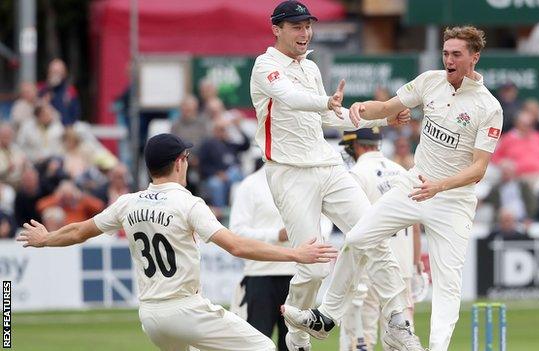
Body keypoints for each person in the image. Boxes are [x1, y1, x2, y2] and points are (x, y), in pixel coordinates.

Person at [282, 26, 503, 351]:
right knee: (357, 238)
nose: (449, 60)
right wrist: (357, 111)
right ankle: (327, 316)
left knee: (447, 285)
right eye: (445, 53)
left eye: (457, 54)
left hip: (452, 199)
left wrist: (439, 186)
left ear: (474, 56)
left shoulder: (489, 107)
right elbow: (386, 109)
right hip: (415, 184)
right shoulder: (431, 81)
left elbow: (478, 169)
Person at [17, 133, 338, 351]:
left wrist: (45, 239)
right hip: (185, 310)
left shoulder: (128, 202)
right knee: (265, 347)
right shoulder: (188, 203)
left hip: (151, 317)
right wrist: (296, 253)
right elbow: (237, 246)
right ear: (180, 162)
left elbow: (77, 232)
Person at [250, 1, 410, 350]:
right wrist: (326, 102)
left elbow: (328, 118)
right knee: (314, 265)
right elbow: (290, 99)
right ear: (276, 29)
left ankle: (398, 319)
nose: (304, 33)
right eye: (296, 26)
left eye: (308, 25)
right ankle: (296, 333)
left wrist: (381, 119)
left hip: (328, 165)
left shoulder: (310, 67)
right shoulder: (265, 67)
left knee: (371, 233)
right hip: (290, 173)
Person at [229, 161, 332, 351]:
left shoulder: (305, 182)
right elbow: (236, 233)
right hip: (260, 275)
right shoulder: (250, 185)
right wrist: (277, 234)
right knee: (256, 344)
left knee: (294, 344)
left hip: (298, 276)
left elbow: (325, 221)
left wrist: (309, 236)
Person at [337, 128, 424, 351]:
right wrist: (415, 265)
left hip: (368, 269)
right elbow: (415, 224)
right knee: (402, 338)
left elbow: (354, 227)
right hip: (401, 268)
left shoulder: (356, 175)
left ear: (357, 146)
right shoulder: (402, 173)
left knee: (359, 338)